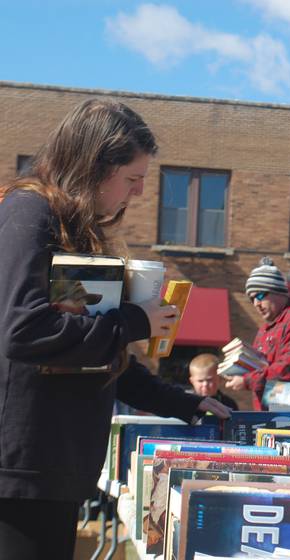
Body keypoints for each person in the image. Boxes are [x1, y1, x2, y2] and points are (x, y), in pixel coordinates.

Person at [0, 99, 230, 559]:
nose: (140, 192)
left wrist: (180, 403)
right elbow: (24, 329)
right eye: (132, 178)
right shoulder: (29, 212)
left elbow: (90, 352)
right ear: (93, 167)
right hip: (22, 470)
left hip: (54, 465)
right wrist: (135, 320)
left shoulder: (70, 228)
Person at [225, 257, 290, 409]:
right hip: (270, 412)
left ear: (278, 291)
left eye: (260, 295)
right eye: (252, 299)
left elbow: (289, 369)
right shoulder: (265, 329)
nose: (256, 303)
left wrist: (247, 380)